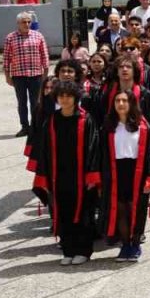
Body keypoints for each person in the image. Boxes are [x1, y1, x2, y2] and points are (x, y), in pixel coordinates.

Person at [31, 80, 101, 265]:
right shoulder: (52, 120)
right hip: (58, 175)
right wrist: (43, 177)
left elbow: (94, 149)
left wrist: (92, 176)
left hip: (81, 175)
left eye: (68, 96)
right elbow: (44, 150)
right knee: (63, 213)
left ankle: (83, 250)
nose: (64, 99)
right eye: (61, 96)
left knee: (83, 214)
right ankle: (68, 250)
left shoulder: (86, 120)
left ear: (75, 98)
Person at [100, 88, 150, 262]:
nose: (120, 104)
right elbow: (102, 154)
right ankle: (125, 245)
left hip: (138, 171)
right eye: (117, 101)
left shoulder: (143, 126)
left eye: (124, 101)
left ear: (131, 103)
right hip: (116, 171)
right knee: (120, 210)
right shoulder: (108, 126)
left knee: (136, 209)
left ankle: (135, 243)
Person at [4, 11, 50, 136]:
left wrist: (45, 75)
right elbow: (6, 58)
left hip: (36, 75)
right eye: (24, 22)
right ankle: (24, 126)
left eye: (29, 22)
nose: (27, 24)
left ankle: (35, 126)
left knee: (36, 102)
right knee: (22, 102)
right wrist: (7, 76)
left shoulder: (38, 36)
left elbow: (44, 56)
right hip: (19, 76)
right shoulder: (10, 37)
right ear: (18, 23)